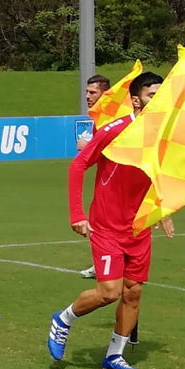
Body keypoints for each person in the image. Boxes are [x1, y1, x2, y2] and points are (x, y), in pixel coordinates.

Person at [47, 71, 172, 369]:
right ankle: (63, 319)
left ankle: (114, 355)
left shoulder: (160, 133)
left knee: (134, 292)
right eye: (150, 96)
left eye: (160, 96)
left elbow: (157, 173)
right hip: (106, 227)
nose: (156, 102)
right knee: (109, 292)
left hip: (139, 228)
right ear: (135, 100)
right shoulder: (115, 130)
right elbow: (78, 165)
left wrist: (163, 211)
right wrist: (77, 214)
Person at [77, 75, 111, 279]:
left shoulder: (109, 118)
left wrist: (87, 148)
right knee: (99, 223)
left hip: (114, 182)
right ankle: (101, 264)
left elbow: (112, 150)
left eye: (92, 92)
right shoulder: (100, 117)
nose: (88, 96)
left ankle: (104, 266)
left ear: (105, 94)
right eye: (87, 92)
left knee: (101, 224)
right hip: (105, 179)